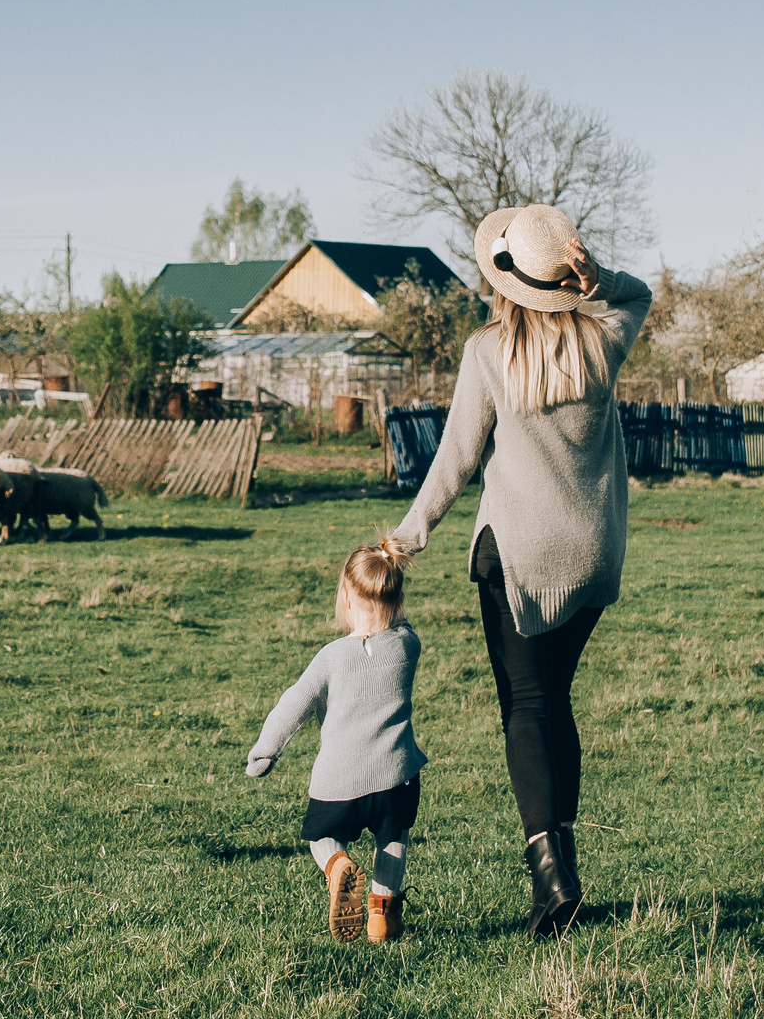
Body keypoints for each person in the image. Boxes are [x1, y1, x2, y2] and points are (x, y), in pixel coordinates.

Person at [380, 202, 653, 937]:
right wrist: (597, 280)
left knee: (527, 704)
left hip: (521, 557)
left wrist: (411, 533)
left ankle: (553, 878)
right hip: (594, 553)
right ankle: (559, 870)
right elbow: (638, 294)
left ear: (506, 280)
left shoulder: (488, 352)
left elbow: (458, 456)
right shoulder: (605, 339)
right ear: (565, 278)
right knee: (554, 698)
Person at [245, 544, 425, 943]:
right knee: (393, 838)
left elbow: (294, 704)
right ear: (396, 597)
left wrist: (265, 752)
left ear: (345, 593)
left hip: (338, 780)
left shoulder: (331, 656)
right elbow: (400, 624)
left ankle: (338, 866)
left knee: (322, 838)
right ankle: (382, 918)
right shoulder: (407, 646)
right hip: (396, 776)